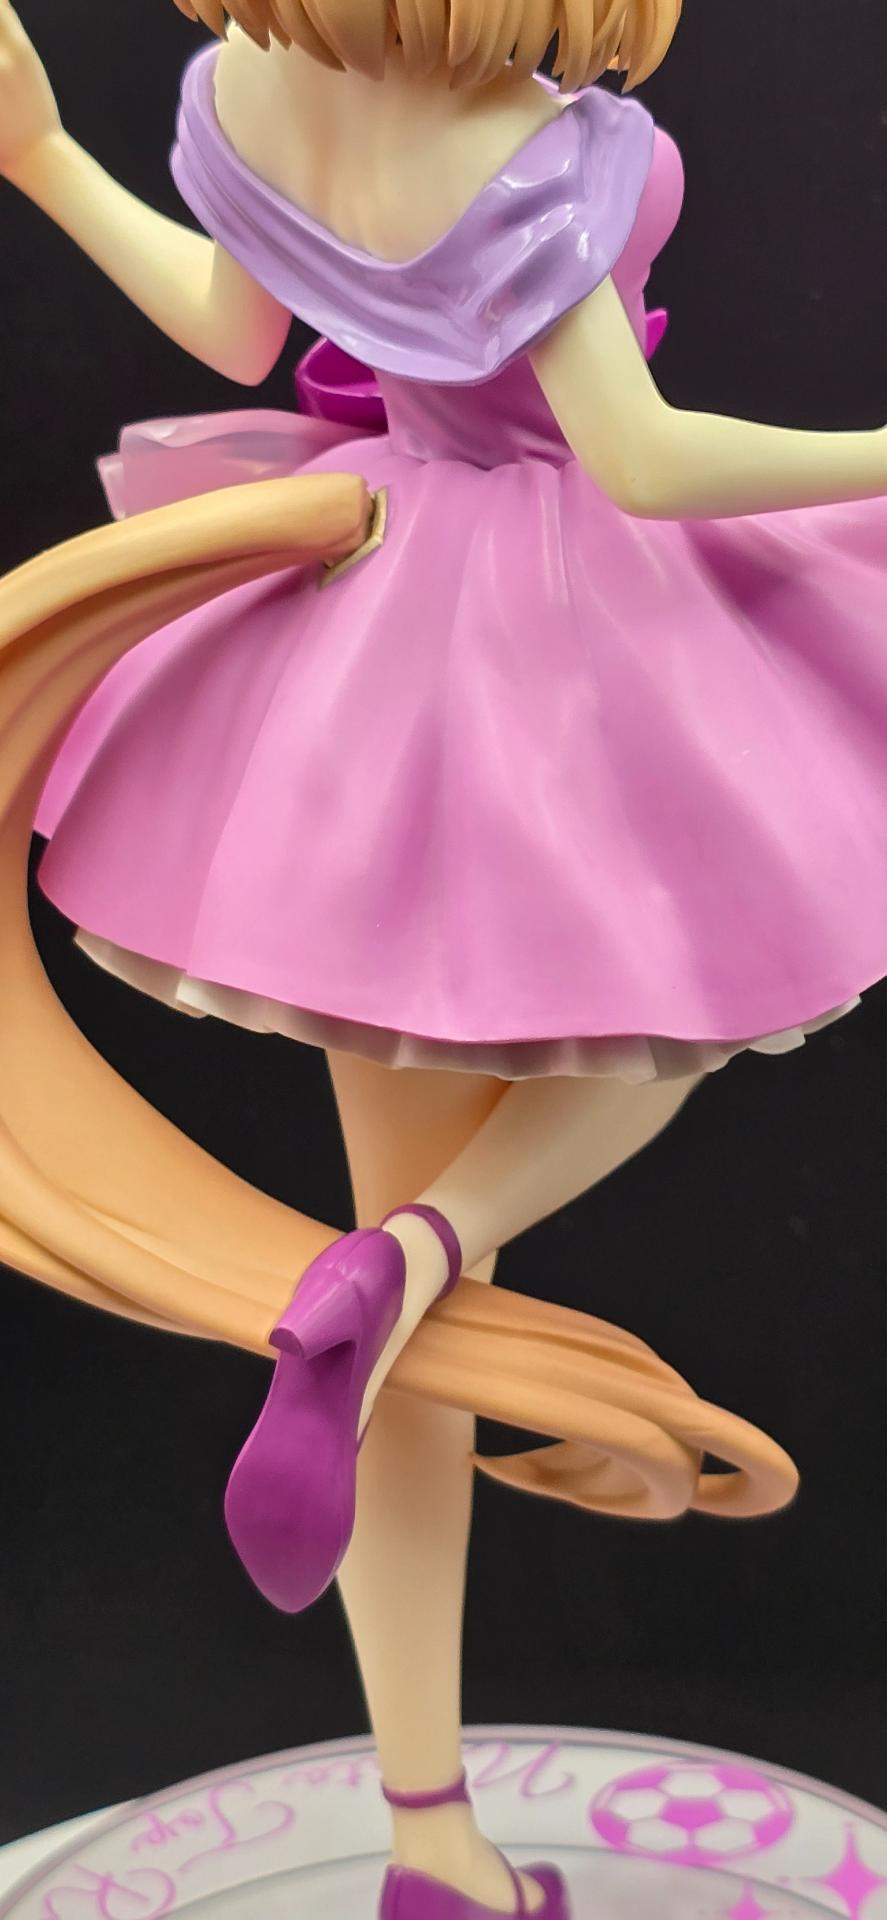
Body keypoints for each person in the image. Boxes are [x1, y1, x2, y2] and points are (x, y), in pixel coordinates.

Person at [2, 0, 884, 1909]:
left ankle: (430, 1843)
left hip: (363, 615)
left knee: (406, 1332)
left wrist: (47, 159)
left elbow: (232, 332)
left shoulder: (249, 87)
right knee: (701, 1003)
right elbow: (641, 461)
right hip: (572, 628)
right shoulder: (543, 146)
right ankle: (423, 1252)